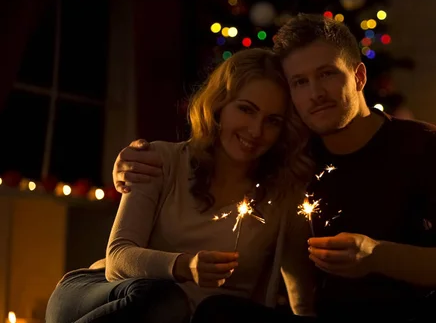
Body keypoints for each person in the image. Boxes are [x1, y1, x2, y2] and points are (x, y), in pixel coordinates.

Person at [111, 14, 436, 322]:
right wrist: (131, 160)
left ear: (359, 76)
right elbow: (212, 152)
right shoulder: (289, 154)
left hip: (418, 312)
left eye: (327, 75)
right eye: (299, 82)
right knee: (220, 313)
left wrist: (378, 256)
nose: (315, 93)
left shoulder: (428, 148)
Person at [45, 48, 317, 323]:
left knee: (212, 310)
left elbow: (303, 298)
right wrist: (185, 265)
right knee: (165, 301)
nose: (256, 131)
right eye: (246, 110)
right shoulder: (160, 160)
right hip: (99, 295)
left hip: (205, 315)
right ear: (219, 105)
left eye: (272, 121)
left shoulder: (284, 199)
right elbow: (117, 259)